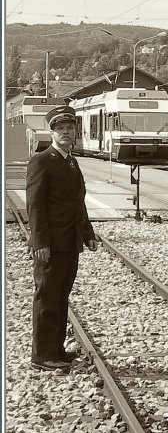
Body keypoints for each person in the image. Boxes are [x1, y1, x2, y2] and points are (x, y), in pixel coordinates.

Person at [26, 105, 102, 372]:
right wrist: (40, 243)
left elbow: (77, 202)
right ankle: (42, 355)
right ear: (51, 132)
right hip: (50, 245)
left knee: (61, 297)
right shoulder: (42, 160)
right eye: (61, 129)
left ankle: (56, 350)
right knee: (46, 297)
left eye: (70, 128)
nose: (67, 132)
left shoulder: (71, 161)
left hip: (70, 242)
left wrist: (88, 234)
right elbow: (35, 206)